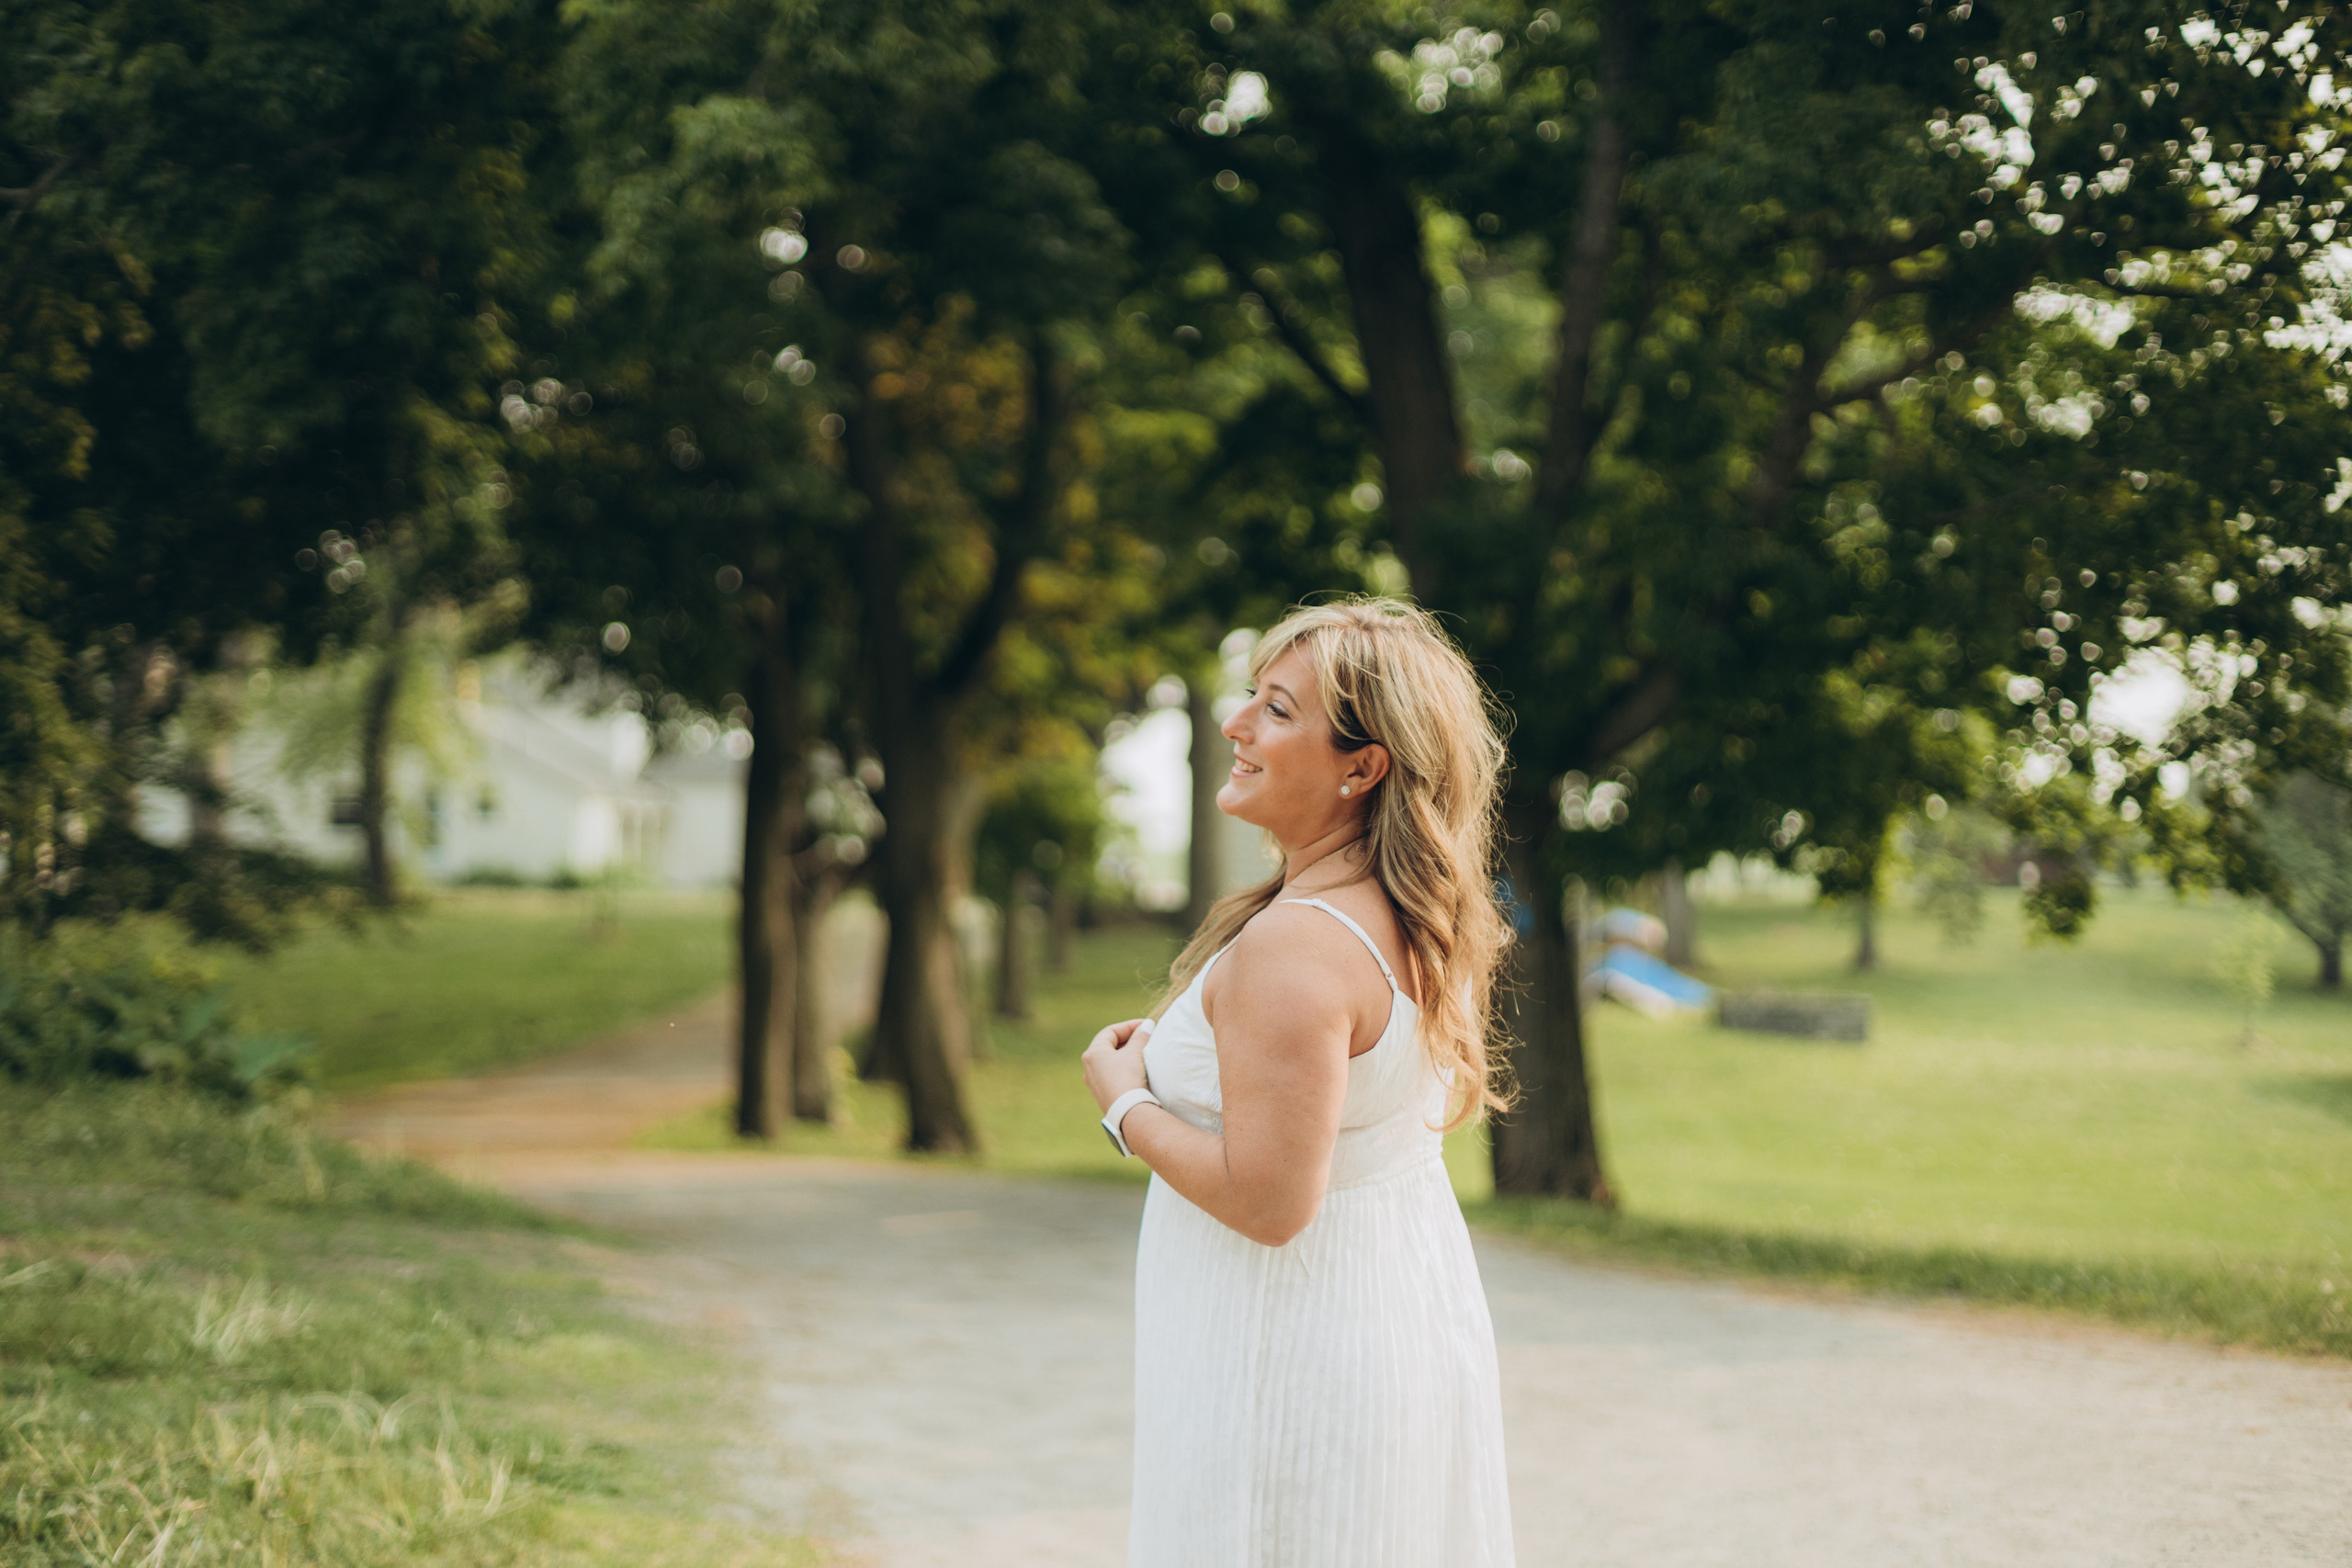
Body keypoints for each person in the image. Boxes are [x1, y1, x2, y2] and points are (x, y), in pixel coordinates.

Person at [1082, 597, 1517, 1567]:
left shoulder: (1296, 947)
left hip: (1286, 1359)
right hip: (1375, 1319)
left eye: (1276, 711)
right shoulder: (1397, 917)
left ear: (1362, 767)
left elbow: (1272, 1199)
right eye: (1250, 698)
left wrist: (1125, 1105)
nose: (1235, 727)